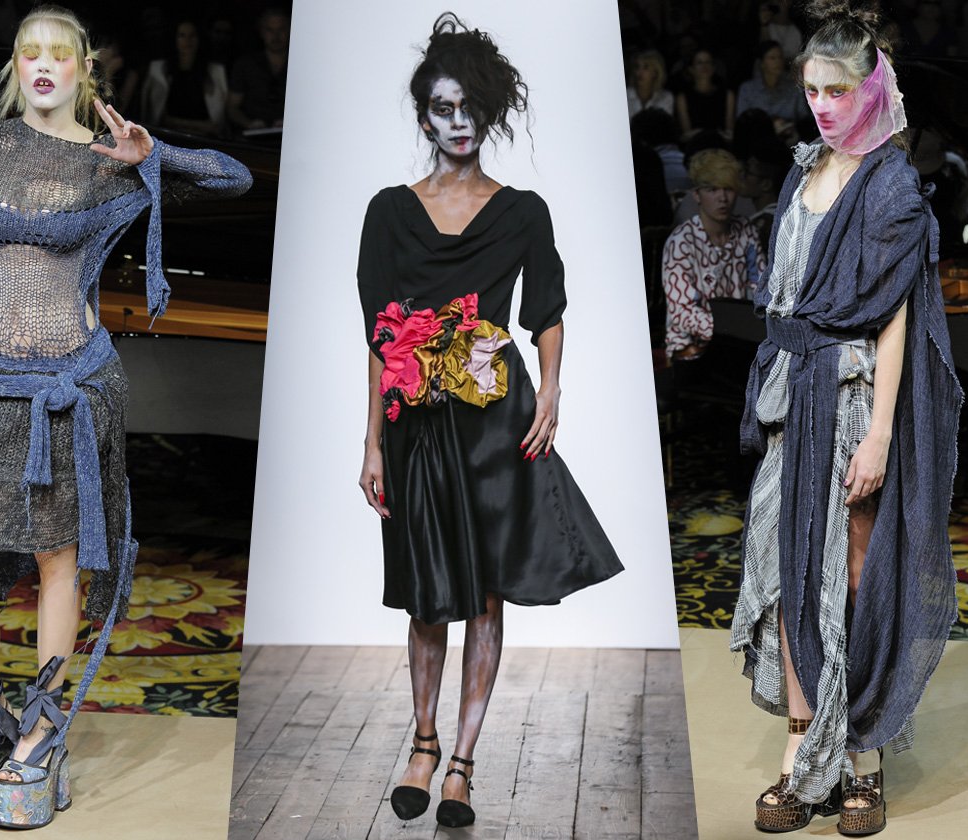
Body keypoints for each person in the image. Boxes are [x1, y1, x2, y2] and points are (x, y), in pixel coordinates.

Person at [0, 6, 251, 829]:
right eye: (29, 53)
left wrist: (155, 154)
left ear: (83, 70)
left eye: (59, 54)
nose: (43, 65)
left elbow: (234, 179)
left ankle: (40, 732)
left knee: (56, 566)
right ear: (15, 67)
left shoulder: (110, 160)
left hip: (73, 391)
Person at [356, 13, 623, 829]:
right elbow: (380, 336)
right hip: (416, 422)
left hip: (494, 417)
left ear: (490, 110)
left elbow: (547, 312)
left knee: (485, 596)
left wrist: (552, 392)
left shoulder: (522, 212)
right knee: (426, 595)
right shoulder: (388, 213)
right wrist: (371, 440)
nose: (458, 121)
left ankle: (461, 766)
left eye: (470, 106)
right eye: (443, 108)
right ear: (423, 117)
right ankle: (422, 744)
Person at [728, 1, 962, 834]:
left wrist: (881, 432)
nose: (823, 106)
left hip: (855, 397)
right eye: (811, 91)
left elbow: (895, 318)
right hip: (795, 396)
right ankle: (801, 749)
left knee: (857, 576)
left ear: (869, 88)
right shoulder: (803, 170)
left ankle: (861, 754)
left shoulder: (890, 183)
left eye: (836, 91)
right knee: (789, 571)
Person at [662, 148, 765, 360]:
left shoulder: (746, 230)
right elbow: (682, 311)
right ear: (697, 195)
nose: (722, 198)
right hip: (693, 347)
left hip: (739, 339)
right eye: (712, 190)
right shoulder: (681, 242)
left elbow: (761, 286)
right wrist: (734, 330)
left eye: (728, 189)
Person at [140, 19, 228, 136]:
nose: (188, 40)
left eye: (192, 35)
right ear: (174, 39)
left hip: (205, 138)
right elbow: (158, 117)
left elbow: (217, 123)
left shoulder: (216, 71)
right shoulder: (158, 69)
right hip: (167, 136)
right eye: (182, 36)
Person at [226, 7, 290, 131]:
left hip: (292, 135)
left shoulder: (301, 66)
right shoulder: (245, 64)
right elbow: (232, 107)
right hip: (252, 136)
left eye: (281, 29)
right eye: (270, 30)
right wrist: (250, 124)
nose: (276, 35)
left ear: (289, 30)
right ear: (261, 32)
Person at [626, 48, 674, 117]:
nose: (639, 72)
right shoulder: (626, 94)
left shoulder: (665, 97)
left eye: (645, 67)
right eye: (637, 67)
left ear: (655, 72)